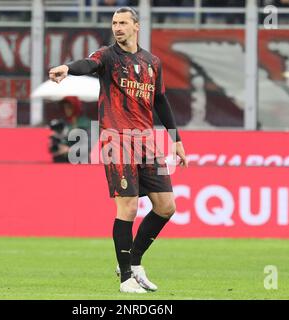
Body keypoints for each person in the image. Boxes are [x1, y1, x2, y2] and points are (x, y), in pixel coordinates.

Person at [49, 7, 187, 294]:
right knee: (129, 207)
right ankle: (126, 279)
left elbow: (160, 100)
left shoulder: (153, 62)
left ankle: (134, 261)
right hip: (117, 140)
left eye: (123, 22)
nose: (118, 27)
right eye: (114, 23)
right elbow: (87, 64)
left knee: (166, 206)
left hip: (147, 141)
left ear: (136, 26)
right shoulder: (107, 56)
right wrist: (67, 68)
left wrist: (175, 139)